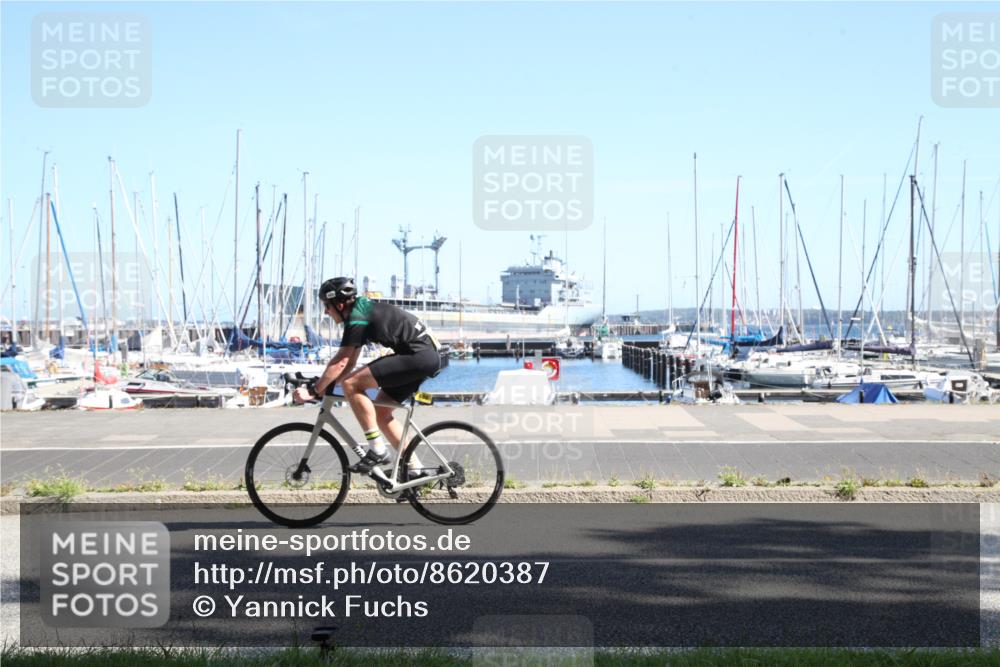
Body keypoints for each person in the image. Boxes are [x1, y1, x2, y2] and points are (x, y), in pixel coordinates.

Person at [292, 277, 443, 475]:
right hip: (424, 357)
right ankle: (416, 471)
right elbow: (350, 362)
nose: (325, 312)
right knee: (381, 412)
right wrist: (323, 385)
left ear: (339, 304)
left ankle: (377, 451)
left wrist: (313, 391)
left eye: (326, 306)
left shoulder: (357, 315)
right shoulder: (361, 311)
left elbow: (342, 362)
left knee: (351, 384)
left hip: (418, 356)